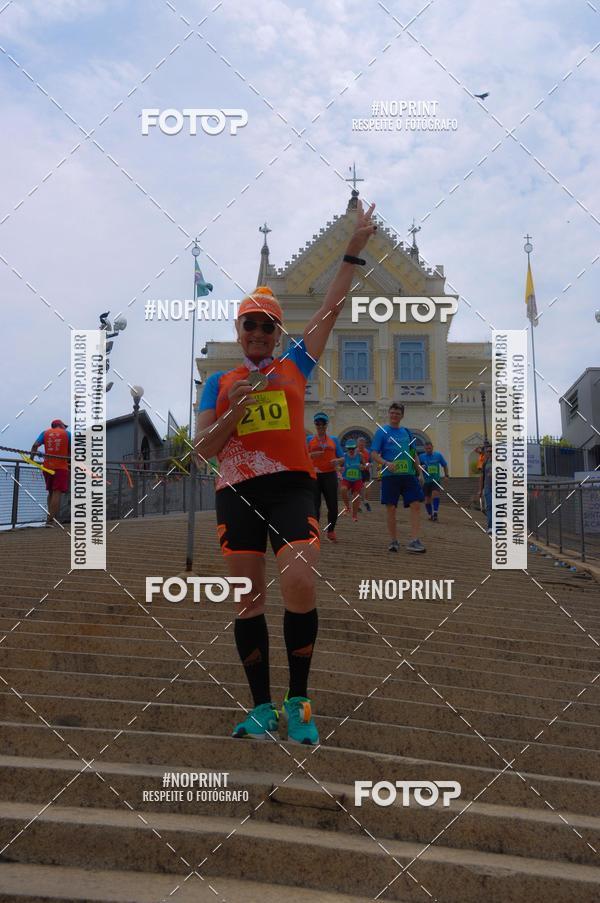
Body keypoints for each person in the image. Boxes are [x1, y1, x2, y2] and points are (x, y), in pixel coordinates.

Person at [194, 201, 376, 745]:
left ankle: (299, 700)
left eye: (267, 325)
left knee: (299, 580)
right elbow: (203, 450)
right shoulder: (219, 383)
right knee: (247, 598)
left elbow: (331, 307)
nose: (258, 332)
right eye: (249, 323)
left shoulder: (294, 364)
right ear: (239, 330)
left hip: (293, 486)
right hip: (237, 492)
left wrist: (352, 252)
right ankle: (260, 707)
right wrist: (233, 412)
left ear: (277, 333)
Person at [370, 403, 425, 553]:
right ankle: (394, 540)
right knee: (391, 508)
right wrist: (386, 463)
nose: (394, 415)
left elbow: (413, 454)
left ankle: (415, 540)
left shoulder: (407, 432)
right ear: (389, 413)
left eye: (397, 413)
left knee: (416, 504)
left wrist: (419, 473)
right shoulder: (382, 432)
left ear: (402, 416)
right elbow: (373, 453)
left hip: (408, 475)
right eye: (392, 413)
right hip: (390, 476)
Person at [307, 413, 344, 542]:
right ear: (315, 424)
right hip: (315, 475)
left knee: (333, 505)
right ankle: (314, 532)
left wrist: (337, 461)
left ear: (327, 425)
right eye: (318, 424)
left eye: (323, 424)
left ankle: (330, 531)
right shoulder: (309, 439)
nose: (321, 426)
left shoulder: (334, 440)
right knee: (314, 506)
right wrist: (311, 455)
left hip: (330, 475)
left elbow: (343, 457)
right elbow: (302, 455)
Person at [30, 419, 71, 527]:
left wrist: (31, 459)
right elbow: (72, 451)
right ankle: (50, 521)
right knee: (57, 493)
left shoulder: (45, 433)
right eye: (64, 426)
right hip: (61, 468)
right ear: (61, 425)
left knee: (51, 492)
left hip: (47, 467)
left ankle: (50, 518)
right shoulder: (67, 434)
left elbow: (35, 445)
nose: (65, 428)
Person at [419, 441, 449, 521]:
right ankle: (430, 515)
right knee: (427, 500)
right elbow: (417, 467)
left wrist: (446, 475)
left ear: (432, 447)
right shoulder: (421, 457)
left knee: (435, 494)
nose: (428, 450)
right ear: (424, 449)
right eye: (427, 449)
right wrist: (420, 471)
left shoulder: (438, 455)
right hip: (426, 481)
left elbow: (445, 465)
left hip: (435, 480)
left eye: (430, 448)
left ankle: (435, 512)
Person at [340, 440, 364, 522]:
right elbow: (338, 466)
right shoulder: (344, 456)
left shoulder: (360, 455)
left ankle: (354, 515)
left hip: (357, 479)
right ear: (347, 449)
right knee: (343, 489)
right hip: (346, 479)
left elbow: (365, 465)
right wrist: (339, 469)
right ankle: (347, 507)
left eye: (353, 448)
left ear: (355, 448)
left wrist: (363, 466)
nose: (351, 450)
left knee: (356, 496)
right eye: (349, 448)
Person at [479, 444, 493, 533]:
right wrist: (480, 490)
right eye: (488, 451)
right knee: (490, 506)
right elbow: (482, 477)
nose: (490, 453)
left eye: (491, 451)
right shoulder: (485, 463)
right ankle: (491, 526)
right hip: (487, 487)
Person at [357, 436, 371, 512]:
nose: (361, 446)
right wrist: (359, 466)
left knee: (367, 486)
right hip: (357, 472)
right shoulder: (355, 452)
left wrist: (367, 465)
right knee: (358, 489)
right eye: (360, 445)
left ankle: (366, 502)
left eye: (362, 444)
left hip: (365, 472)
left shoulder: (367, 452)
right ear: (357, 444)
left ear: (365, 444)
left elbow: (370, 462)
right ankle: (358, 506)